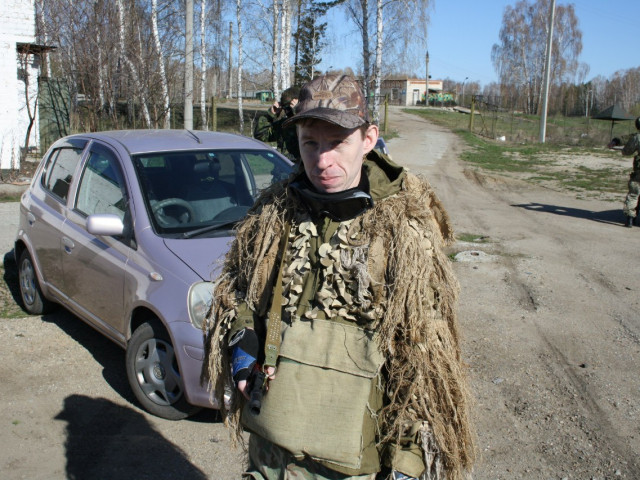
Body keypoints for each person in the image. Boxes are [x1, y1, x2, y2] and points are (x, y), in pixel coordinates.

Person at [202, 74, 475, 480]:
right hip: (271, 457)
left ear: (368, 139)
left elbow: (423, 360)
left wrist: (406, 466)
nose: (322, 159)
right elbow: (238, 295)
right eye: (310, 143)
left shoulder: (404, 229)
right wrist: (244, 350)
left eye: (338, 143)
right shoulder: (273, 214)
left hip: (352, 466)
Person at [254, 86, 301, 161]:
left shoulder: (307, 124)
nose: (287, 111)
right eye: (285, 108)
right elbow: (260, 135)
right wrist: (270, 115)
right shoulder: (283, 125)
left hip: (301, 169)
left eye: (290, 108)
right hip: (284, 167)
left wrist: (299, 111)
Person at [610, 117, 640, 227]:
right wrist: (617, 140)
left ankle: (630, 219)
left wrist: (618, 145)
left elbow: (627, 151)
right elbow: (627, 138)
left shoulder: (637, 138)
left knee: (634, 193)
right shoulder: (636, 137)